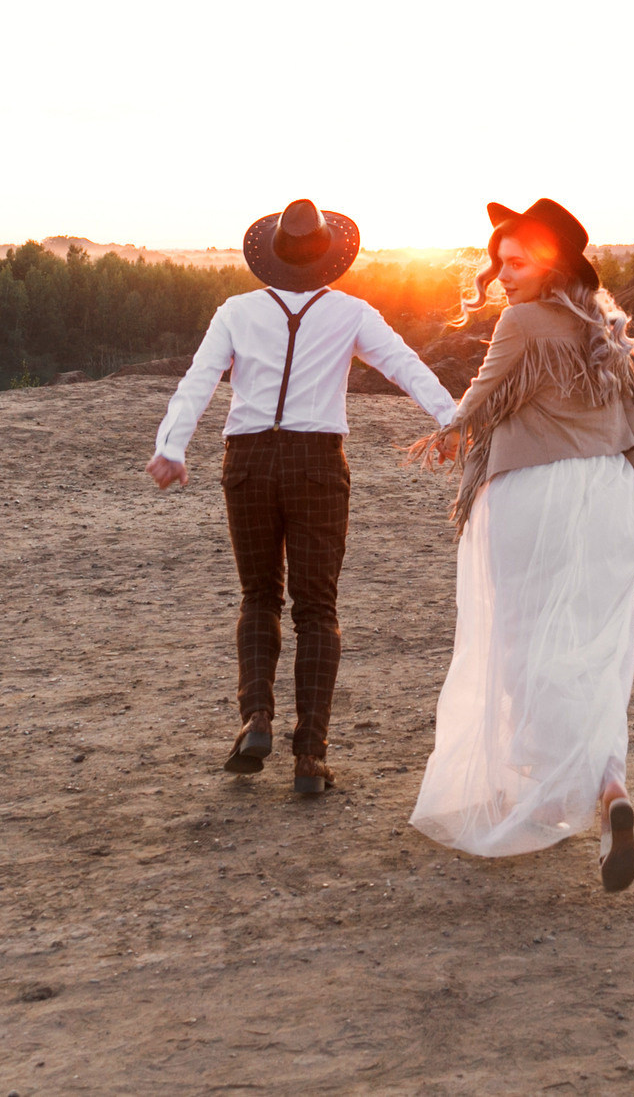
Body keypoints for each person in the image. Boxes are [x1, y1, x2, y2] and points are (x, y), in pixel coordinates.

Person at [406, 199, 634, 892]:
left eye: (517, 260)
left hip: (535, 491)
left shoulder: (522, 321)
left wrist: (447, 434)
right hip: (607, 492)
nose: (502, 274)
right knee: (596, 649)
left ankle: (547, 784)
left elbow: (482, 393)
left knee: (524, 641)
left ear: (551, 260)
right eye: (498, 261)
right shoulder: (604, 322)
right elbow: (628, 417)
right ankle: (609, 789)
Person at [149, 198, 458, 796]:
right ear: (327, 257)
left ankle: (255, 719)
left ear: (273, 256)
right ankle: (310, 757)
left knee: (258, 595)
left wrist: (173, 448)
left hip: (249, 463)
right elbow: (405, 366)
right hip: (317, 464)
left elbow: (198, 381)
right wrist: (451, 420)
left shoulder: (235, 311)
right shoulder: (351, 312)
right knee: (317, 610)